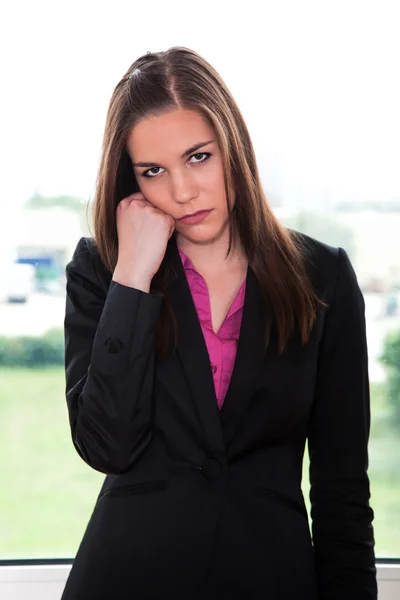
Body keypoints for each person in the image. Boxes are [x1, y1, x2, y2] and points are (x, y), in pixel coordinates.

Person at [61, 47, 377, 599]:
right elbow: (106, 447)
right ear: (130, 182)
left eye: (199, 157)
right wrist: (133, 273)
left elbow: (341, 489)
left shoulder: (322, 278)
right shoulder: (103, 272)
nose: (181, 191)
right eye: (153, 171)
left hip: (269, 578)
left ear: (234, 147)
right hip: (128, 579)